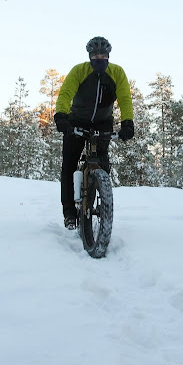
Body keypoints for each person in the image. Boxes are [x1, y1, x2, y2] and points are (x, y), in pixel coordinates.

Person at [54, 36, 135, 229]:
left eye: (103, 55)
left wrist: (127, 122)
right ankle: (69, 213)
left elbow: (125, 98)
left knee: (102, 162)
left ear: (108, 55)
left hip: (103, 122)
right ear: (89, 56)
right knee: (69, 165)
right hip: (77, 120)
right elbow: (65, 93)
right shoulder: (79, 71)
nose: (99, 58)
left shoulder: (116, 72)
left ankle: (99, 194)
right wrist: (61, 116)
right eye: (95, 55)